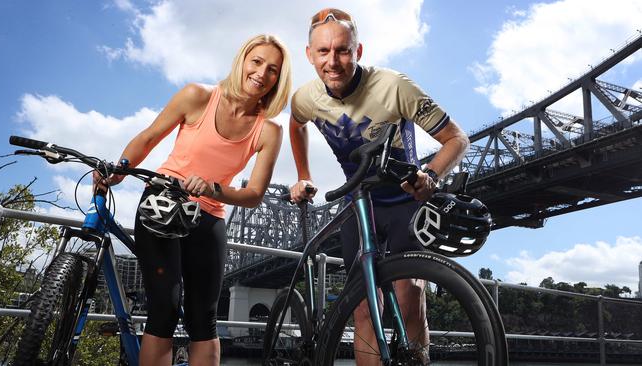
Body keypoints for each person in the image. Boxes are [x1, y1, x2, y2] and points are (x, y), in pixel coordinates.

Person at [94, 34, 291, 366]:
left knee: (204, 318)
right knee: (164, 309)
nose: (261, 73)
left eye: (273, 69)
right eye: (256, 62)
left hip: (208, 214)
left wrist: (213, 189)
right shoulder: (197, 96)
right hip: (161, 202)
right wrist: (119, 171)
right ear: (242, 60)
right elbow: (149, 137)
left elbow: (254, 194)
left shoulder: (269, 131)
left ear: (278, 79)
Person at [288, 8, 469, 365]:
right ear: (310, 55)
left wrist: (431, 176)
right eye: (323, 52)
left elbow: (456, 138)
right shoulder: (305, 98)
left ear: (358, 51)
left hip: (406, 200)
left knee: (410, 299)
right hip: (360, 203)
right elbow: (296, 126)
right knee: (363, 309)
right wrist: (303, 174)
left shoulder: (394, 85)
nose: (333, 61)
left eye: (342, 50)